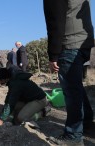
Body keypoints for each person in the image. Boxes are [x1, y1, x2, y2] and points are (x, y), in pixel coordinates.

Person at [44, 0, 94, 145]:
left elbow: (56, 22)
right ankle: (86, 123)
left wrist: (53, 55)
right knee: (76, 86)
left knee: (71, 92)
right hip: (83, 42)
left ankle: (73, 136)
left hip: (70, 43)